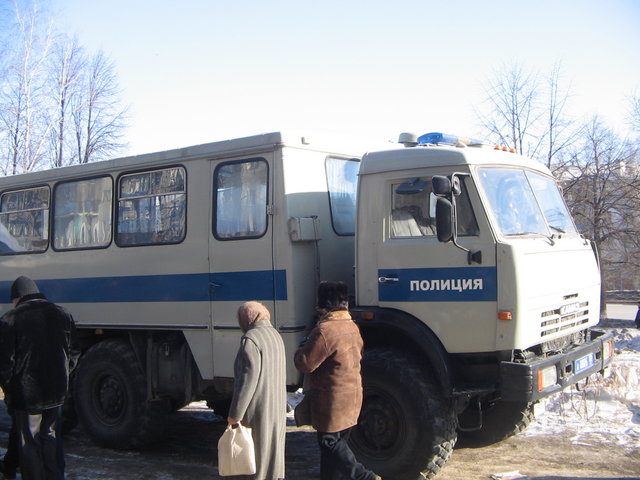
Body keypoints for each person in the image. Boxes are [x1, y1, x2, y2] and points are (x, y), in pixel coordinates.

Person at [294, 282, 381, 480]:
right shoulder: (352, 326)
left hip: (332, 398)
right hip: (353, 394)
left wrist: (301, 349)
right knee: (337, 445)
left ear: (323, 305)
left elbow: (306, 364)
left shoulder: (325, 330)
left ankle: (363, 476)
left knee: (329, 442)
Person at [0, 276, 79, 480]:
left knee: (30, 443)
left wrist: (10, 391)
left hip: (27, 395)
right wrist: (63, 376)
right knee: (50, 437)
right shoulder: (62, 314)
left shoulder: (10, 319)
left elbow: (5, 364)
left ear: (18, 297)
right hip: (56, 393)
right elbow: (73, 353)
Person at [227, 301, 286, 480]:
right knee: (272, 455)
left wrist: (235, 414)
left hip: (257, 410)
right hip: (275, 407)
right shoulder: (275, 335)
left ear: (246, 319)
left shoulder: (251, 339)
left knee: (256, 457)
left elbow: (247, 381)